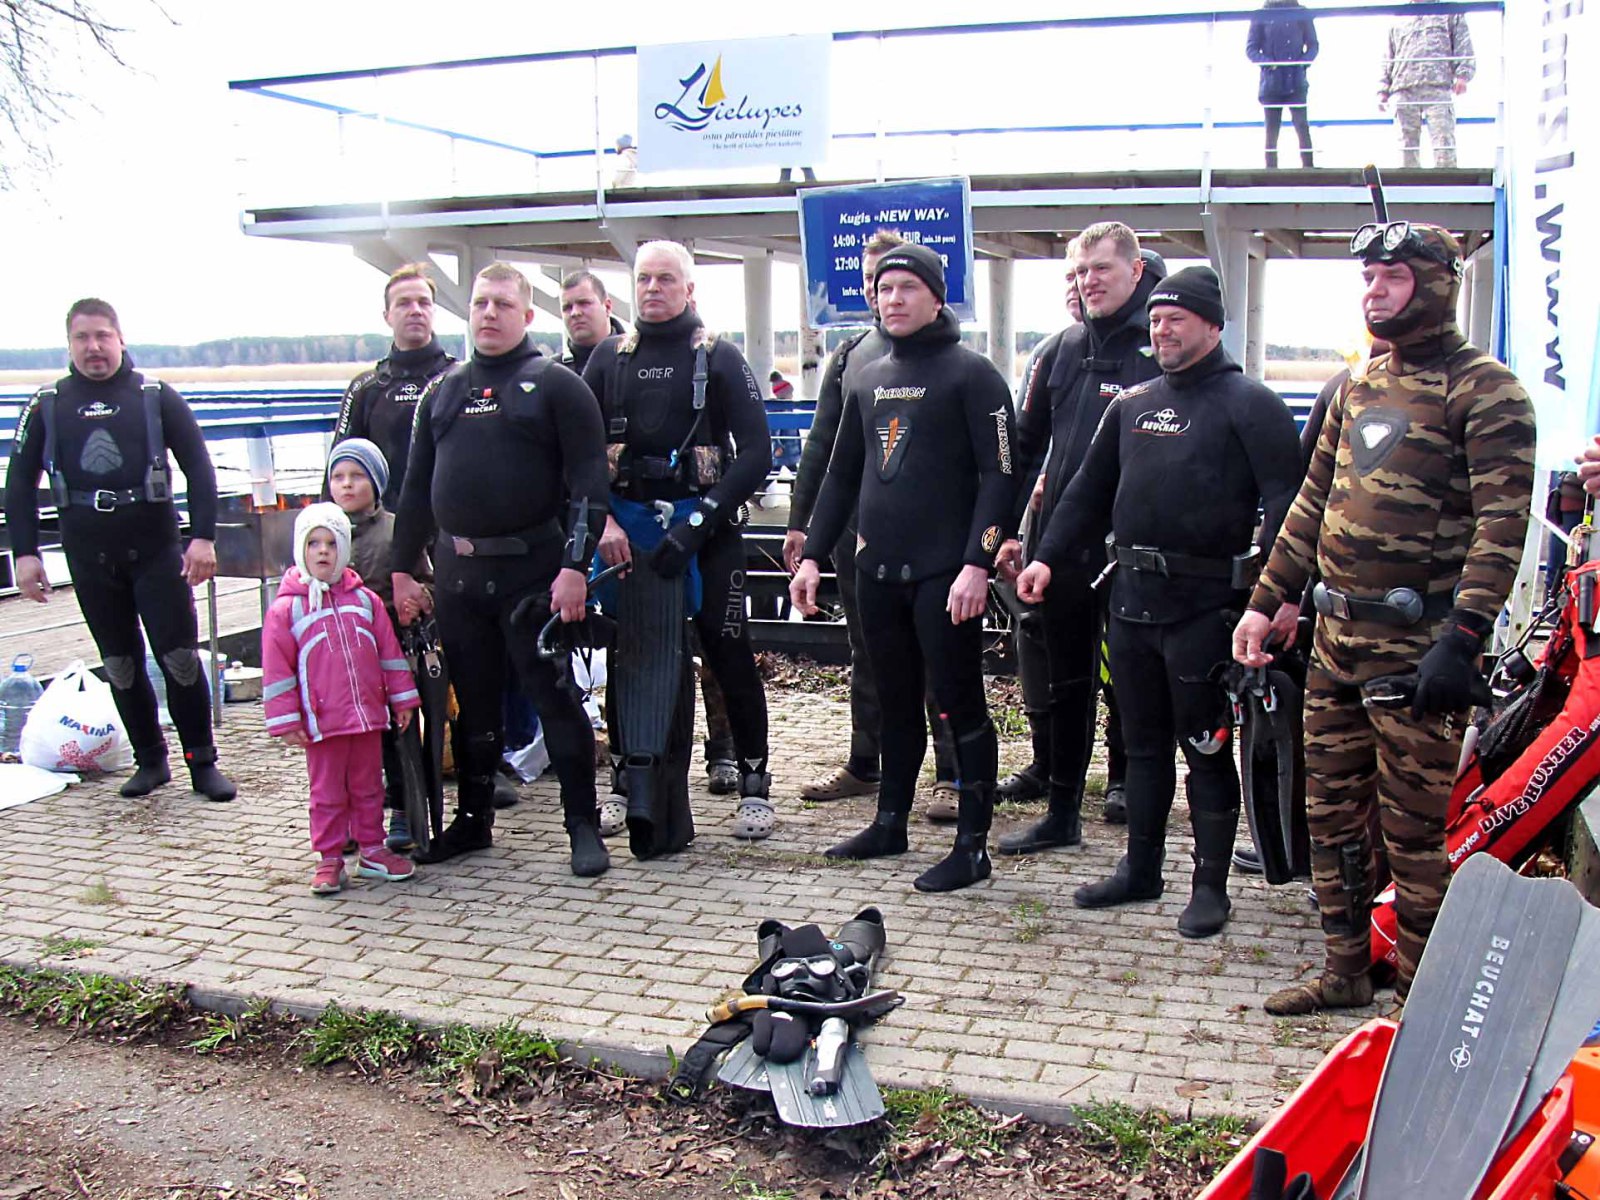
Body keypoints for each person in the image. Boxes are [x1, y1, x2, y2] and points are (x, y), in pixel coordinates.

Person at [1234, 222, 1535, 1012]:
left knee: (1413, 836)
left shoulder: (1487, 391)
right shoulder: (1357, 384)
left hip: (1419, 652)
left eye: (1392, 278)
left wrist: (1464, 637)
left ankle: (1419, 997)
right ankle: (1344, 969)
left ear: (1438, 283)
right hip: (1336, 644)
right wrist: (1266, 603)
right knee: (1329, 819)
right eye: (1367, 278)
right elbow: (1311, 504)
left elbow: (1502, 526)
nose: (1374, 293)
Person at [1017, 266, 1301, 937]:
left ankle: (1209, 887)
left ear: (1213, 325)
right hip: (1132, 602)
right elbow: (1085, 494)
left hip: (1205, 607)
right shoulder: (1132, 404)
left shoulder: (1249, 403)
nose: (1162, 330)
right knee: (1142, 747)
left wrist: (1279, 594)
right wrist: (1046, 558)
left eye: (1177, 318)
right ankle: (1140, 868)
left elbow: (1289, 505)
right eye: (1156, 320)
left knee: (1205, 747)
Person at [791, 242, 1018, 893]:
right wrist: (812, 556)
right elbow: (841, 475)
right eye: (884, 289)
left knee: (959, 705)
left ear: (937, 298)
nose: (892, 299)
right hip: (878, 572)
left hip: (945, 574)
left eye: (907, 288)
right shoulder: (866, 376)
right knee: (894, 702)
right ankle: (889, 823)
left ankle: (971, 846)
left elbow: (1001, 475)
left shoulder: (974, 376)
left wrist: (977, 564)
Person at [391, 262, 611, 877]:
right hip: (459, 578)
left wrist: (575, 567)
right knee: (474, 706)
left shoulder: (560, 387)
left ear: (527, 314)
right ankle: (473, 819)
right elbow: (414, 490)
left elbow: (590, 488)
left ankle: (582, 824)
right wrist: (403, 570)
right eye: (480, 303)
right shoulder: (444, 392)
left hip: (533, 576)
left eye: (502, 304)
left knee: (555, 698)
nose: (489, 313)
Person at [582, 240, 777, 839]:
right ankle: (627, 782)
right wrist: (603, 524)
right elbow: (580, 458)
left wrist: (701, 522)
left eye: (666, 279)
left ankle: (754, 783)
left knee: (727, 649)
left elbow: (758, 453)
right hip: (628, 530)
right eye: (644, 278)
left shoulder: (718, 357)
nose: (653, 289)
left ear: (689, 289)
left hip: (707, 527)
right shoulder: (608, 359)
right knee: (630, 653)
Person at [4, 298, 236, 802]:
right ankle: (150, 760)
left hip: (156, 550)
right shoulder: (48, 404)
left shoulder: (154, 396)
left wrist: (202, 537)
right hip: (89, 556)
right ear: (69, 344)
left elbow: (199, 467)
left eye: (102, 336)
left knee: (178, 658)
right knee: (119, 664)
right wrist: (25, 553)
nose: (94, 347)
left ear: (120, 338)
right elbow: (18, 483)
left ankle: (202, 762)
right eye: (82, 338)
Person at [996, 225, 1165, 853]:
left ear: (1136, 270)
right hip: (1061, 543)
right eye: (1078, 272)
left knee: (1131, 677)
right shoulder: (1061, 350)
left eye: (1100, 269)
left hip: (1134, 547)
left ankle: (1128, 788)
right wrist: (1008, 532)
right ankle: (1061, 808)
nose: (1088, 282)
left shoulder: (1160, 347)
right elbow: (1025, 446)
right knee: (1066, 680)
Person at [783, 229, 961, 819]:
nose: (883, 293)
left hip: (930, 540)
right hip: (860, 534)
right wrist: (802, 525)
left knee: (934, 657)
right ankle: (866, 763)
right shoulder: (851, 356)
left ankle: (951, 772)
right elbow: (824, 447)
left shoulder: (955, 365)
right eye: (872, 282)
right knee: (867, 651)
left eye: (898, 282)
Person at [262, 504, 421, 894]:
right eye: (313, 543)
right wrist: (286, 720)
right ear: (300, 549)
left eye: (332, 543)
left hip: (367, 717)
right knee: (327, 793)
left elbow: (389, 654)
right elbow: (277, 670)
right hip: (321, 723)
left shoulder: (365, 601)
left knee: (369, 787)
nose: (323, 551)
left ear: (345, 549)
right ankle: (330, 857)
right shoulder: (286, 610)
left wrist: (402, 700)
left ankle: (373, 849)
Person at [325, 438, 432, 851]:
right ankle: (351, 817)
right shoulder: (320, 533)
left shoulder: (396, 530)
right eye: (338, 476)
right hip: (336, 661)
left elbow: (425, 580)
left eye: (357, 476)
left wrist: (419, 601)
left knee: (395, 737)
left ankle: (403, 809)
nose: (347, 485)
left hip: (387, 653)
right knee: (346, 743)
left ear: (376, 483)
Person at [331, 264, 456, 511]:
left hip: (449, 523)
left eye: (424, 303)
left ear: (433, 311)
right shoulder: (366, 388)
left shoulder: (458, 380)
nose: (415, 311)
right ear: (387, 316)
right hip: (385, 524)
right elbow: (338, 466)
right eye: (404, 303)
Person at [1379, 0, 1475, 168]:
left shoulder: (1449, 11)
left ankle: (1447, 180)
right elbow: (1388, 56)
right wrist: (1382, 90)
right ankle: (1408, 181)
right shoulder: (1399, 16)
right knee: (1406, 146)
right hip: (1404, 89)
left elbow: (1463, 45)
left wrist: (1463, 75)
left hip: (1438, 86)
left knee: (1443, 141)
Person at [1247, 0, 1319, 169]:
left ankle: (1308, 168)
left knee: (1301, 125)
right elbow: (1251, 49)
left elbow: (1313, 45)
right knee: (1272, 129)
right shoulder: (1261, 14)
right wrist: (1270, 64)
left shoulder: (1301, 12)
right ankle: (1271, 170)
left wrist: (1302, 64)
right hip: (1272, 82)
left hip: (1296, 79)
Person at [559, 271, 626, 376]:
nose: (575, 313)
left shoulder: (638, 362)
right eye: (567, 307)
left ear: (607, 307)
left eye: (583, 303)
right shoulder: (550, 374)